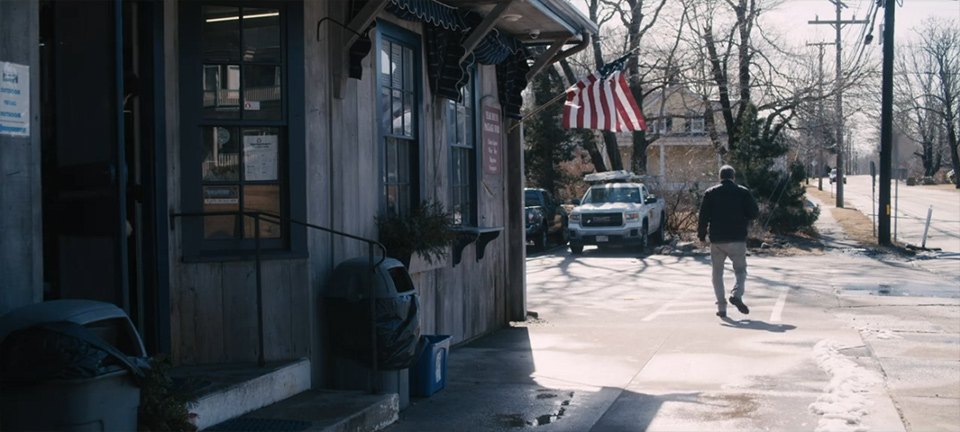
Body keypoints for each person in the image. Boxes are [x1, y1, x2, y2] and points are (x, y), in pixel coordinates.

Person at [698, 165, 760, 318]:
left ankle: (721, 308)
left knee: (717, 273)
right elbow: (754, 213)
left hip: (717, 239)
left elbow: (703, 216)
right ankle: (737, 294)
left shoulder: (710, 193)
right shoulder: (743, 192)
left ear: (720, 177)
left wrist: (701, 235)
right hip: (737, 238)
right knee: (740, 270)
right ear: (733, 177)